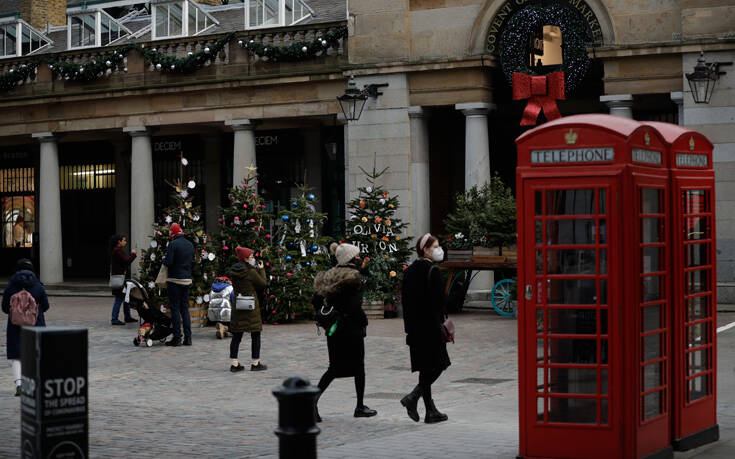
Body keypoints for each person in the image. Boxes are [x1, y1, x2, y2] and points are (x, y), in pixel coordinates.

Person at [312, 243, 377, 422]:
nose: (359, 258)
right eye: (357, 256)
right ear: (351, 258)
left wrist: (329, 313)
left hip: (333, 328)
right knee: (359, 367)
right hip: (352, 328)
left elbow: (316, 300)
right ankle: (359, 406)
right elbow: (355, 305)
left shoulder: (328, 275)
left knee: (333, 368)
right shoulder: (354, 277)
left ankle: (313, 401)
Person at [399, 233, 451, 424]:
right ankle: (412, 397)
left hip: (414, 329)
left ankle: (431, 411)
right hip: (431, 328)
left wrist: (408, 328)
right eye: (436, 246)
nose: (439, 250)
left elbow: (405, 301)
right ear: (426, 249)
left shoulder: (409, 270)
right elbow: (442, 301)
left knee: (425, 367)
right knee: (439, 365)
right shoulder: (433, 271)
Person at [2, 259, 49, 396]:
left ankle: (19, 384)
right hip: (36, 324)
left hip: (15, 325)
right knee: (36, 353)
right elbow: (46, 306)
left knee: (16, 355)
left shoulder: (11, 286)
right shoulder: (38, 286)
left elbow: (5, 308)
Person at [227, 247, 268, 372]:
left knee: (237, 335)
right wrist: (261, 270)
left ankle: (235, 364)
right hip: (251, 306)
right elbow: (262, 284)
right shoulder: (251, 272)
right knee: (255, 334)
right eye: (251, 257)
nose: (253, 259)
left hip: (238, 304)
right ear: (245, 258)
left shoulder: (235, 271)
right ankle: (255, 363)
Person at [163, 223, 194, 347]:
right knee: (184, 308)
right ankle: (188, 338)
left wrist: (163, 260)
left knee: (175, 309)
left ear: (172, 233)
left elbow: (168, 262)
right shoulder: (190, 244)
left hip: (174, 280)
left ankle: (177, 337)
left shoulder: (173, 244)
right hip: (186, 279)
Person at [109, 234, 138, 325]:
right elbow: (127, 261)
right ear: (119, 241)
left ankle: (127, 316)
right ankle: (114, 319)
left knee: (126, 297)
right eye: (124, 240)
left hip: (122, 277)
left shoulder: (118, 250)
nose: (125, 242)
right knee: (119, 298)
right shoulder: (117, 251)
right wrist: (133, 254)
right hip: (120, 278)